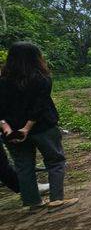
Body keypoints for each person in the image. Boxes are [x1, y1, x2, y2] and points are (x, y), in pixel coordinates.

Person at [0, 42, 77, 212]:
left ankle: (32, 203)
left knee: (23, 166)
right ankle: (56, 200)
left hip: (12, 131)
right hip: (43, 129)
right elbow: (39, 107)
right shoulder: (42, 79)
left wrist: (8, 129)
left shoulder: (3, 81)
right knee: (55, 161)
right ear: (36, 58)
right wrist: (27, 128)